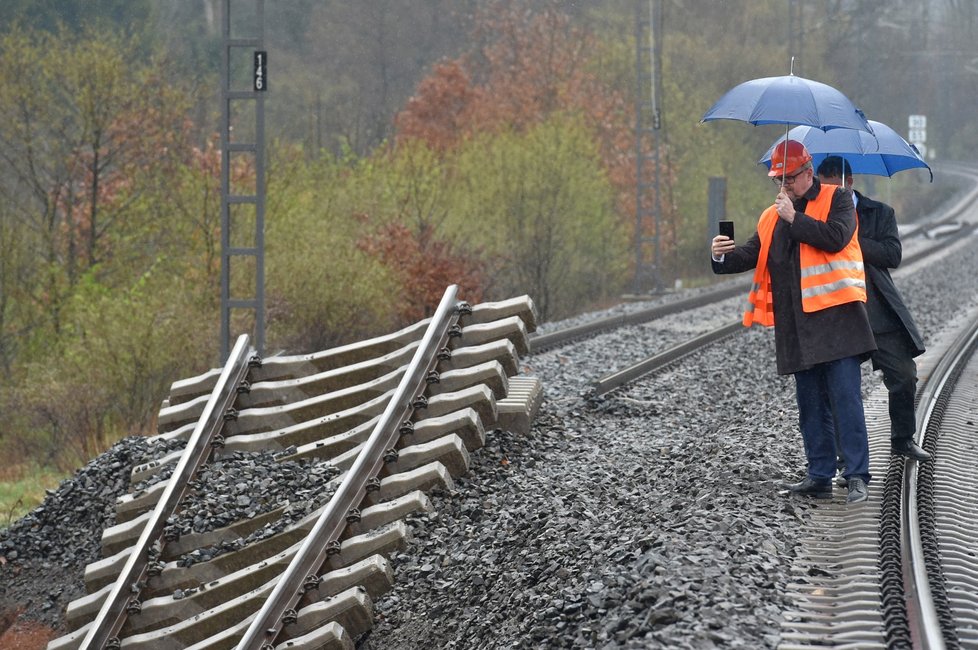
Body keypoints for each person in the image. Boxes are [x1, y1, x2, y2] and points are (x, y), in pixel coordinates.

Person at [710, 140, 877, 504]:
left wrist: (795, 218)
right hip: (798, 328)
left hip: (838, 323)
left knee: (846, 400)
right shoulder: (772, 216)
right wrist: (721, 256)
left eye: (789, 178)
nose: (783, 186)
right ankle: (819, 474)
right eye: (778, 180)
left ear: (808, 172)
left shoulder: (838, 199)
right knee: (810, 404)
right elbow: (752, 255)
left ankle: (857, 476)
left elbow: (836, 238)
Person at [816, 156, 930, 472]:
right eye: (823, 188)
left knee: (904, 374)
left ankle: (903, 438)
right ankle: (845, 458)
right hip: (838, 313)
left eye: (832, 187)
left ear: (848, 182)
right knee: (839, 389)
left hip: (877, 311)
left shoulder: (880, 213)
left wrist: (849, 240)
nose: (828, 194)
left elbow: (892, 255)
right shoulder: (815, 217)